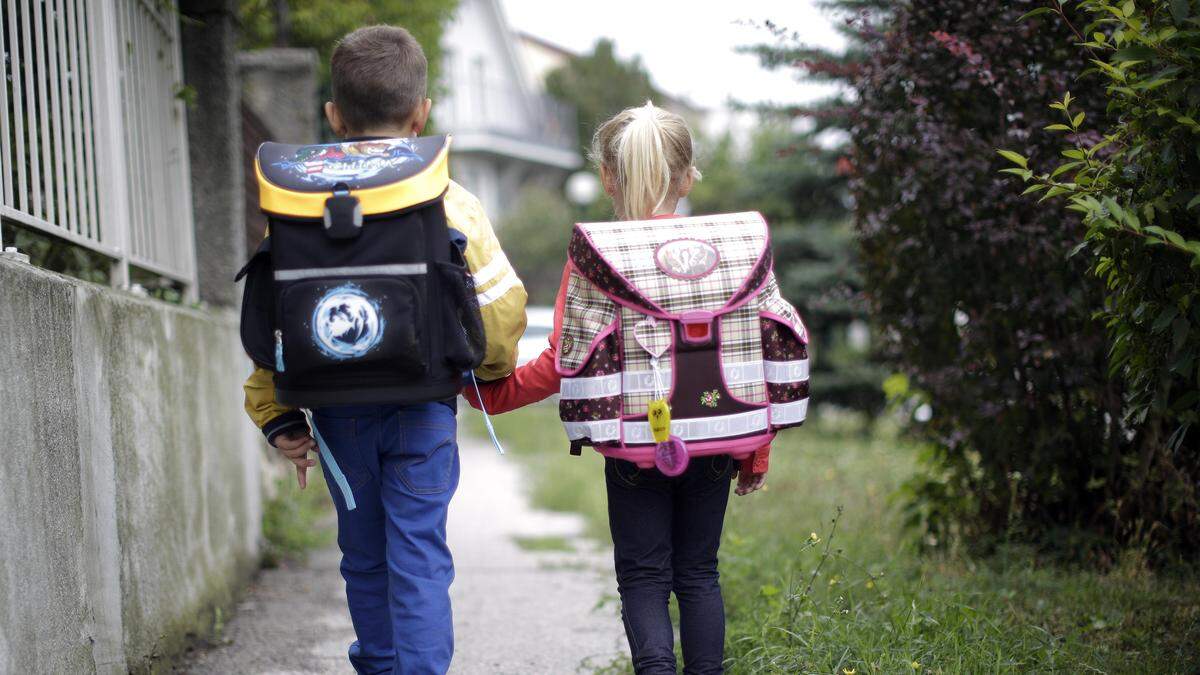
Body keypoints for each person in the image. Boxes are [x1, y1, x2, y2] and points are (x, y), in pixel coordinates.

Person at [242, 25, 527, 675]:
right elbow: (500, 307)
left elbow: (272, 316)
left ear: (333, 116)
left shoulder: (296, 199)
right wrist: (487, 370)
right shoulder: (449, 198)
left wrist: (277, 416)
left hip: (338, 414)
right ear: (421, 112)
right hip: (425, 404)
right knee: (419, 554)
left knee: (364, 556)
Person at [463, 102, 769, 675]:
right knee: (699, 571)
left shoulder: (598, 256)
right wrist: (755, 444)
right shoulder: (726, 251)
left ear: (607, 177)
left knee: (643, 575)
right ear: (688, 176)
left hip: (635, 441)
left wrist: (490, 395)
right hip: (713, 435)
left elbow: (564, 359)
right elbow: (745, 355)